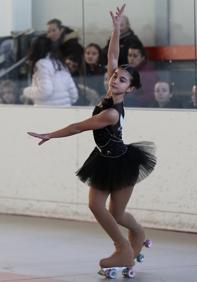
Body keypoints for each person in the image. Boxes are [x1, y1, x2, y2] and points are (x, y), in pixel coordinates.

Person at [27, 4, 156, 270]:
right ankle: (125, 245)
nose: (113, 80)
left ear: (129, 89)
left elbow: (78, 127)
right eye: (115, 76)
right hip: (103, 157)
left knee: (116, 213)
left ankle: (130, 241)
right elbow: (112, 55)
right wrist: (116, 29)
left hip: (121, 161)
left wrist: (51, 134)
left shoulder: (111, 113)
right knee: (97, 206)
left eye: (121, 80)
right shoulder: (110, 92)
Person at [22, 35, 78, 106]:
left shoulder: (42, 65)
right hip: (65, 110)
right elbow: (74, 95)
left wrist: (26, 91)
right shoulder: (60, 64)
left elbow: (45, 91)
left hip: (46, 112)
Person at [125, 42, 158, 107]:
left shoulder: (148, 73)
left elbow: (150, 95)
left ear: (142, 58)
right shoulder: (126, 70)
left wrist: (131, 99)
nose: (131, 58)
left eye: (135, 56)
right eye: (129, 55)